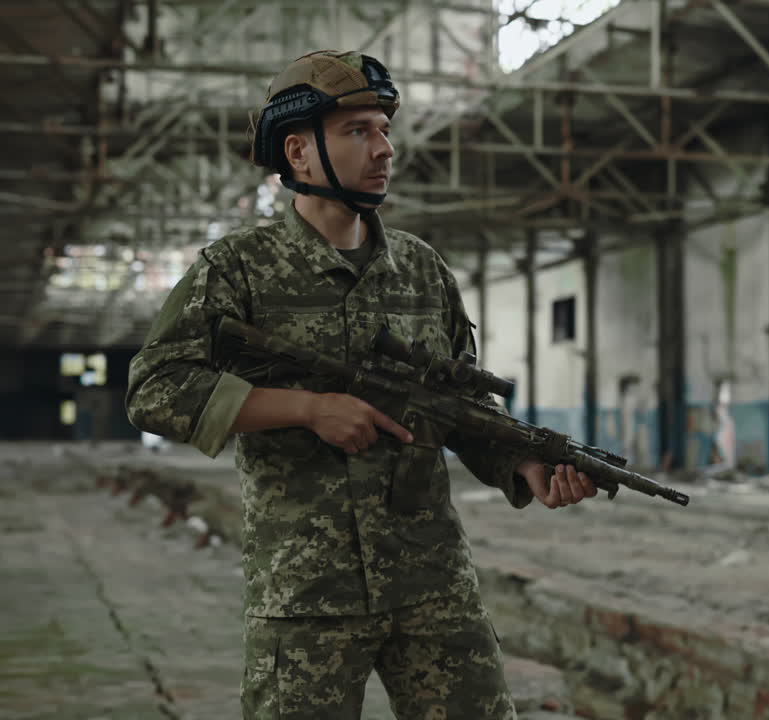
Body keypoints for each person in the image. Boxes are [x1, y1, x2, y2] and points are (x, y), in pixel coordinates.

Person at [125, 49, 597, 719]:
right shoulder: (238, 269)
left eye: (384, 130)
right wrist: (305, 408)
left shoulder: (422, 269)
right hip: (306, 592)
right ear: (299, 151)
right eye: (357, 131)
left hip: (432, 581)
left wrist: (523, 464)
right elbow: (155, 389)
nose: (384, 149)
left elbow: (459, 405)